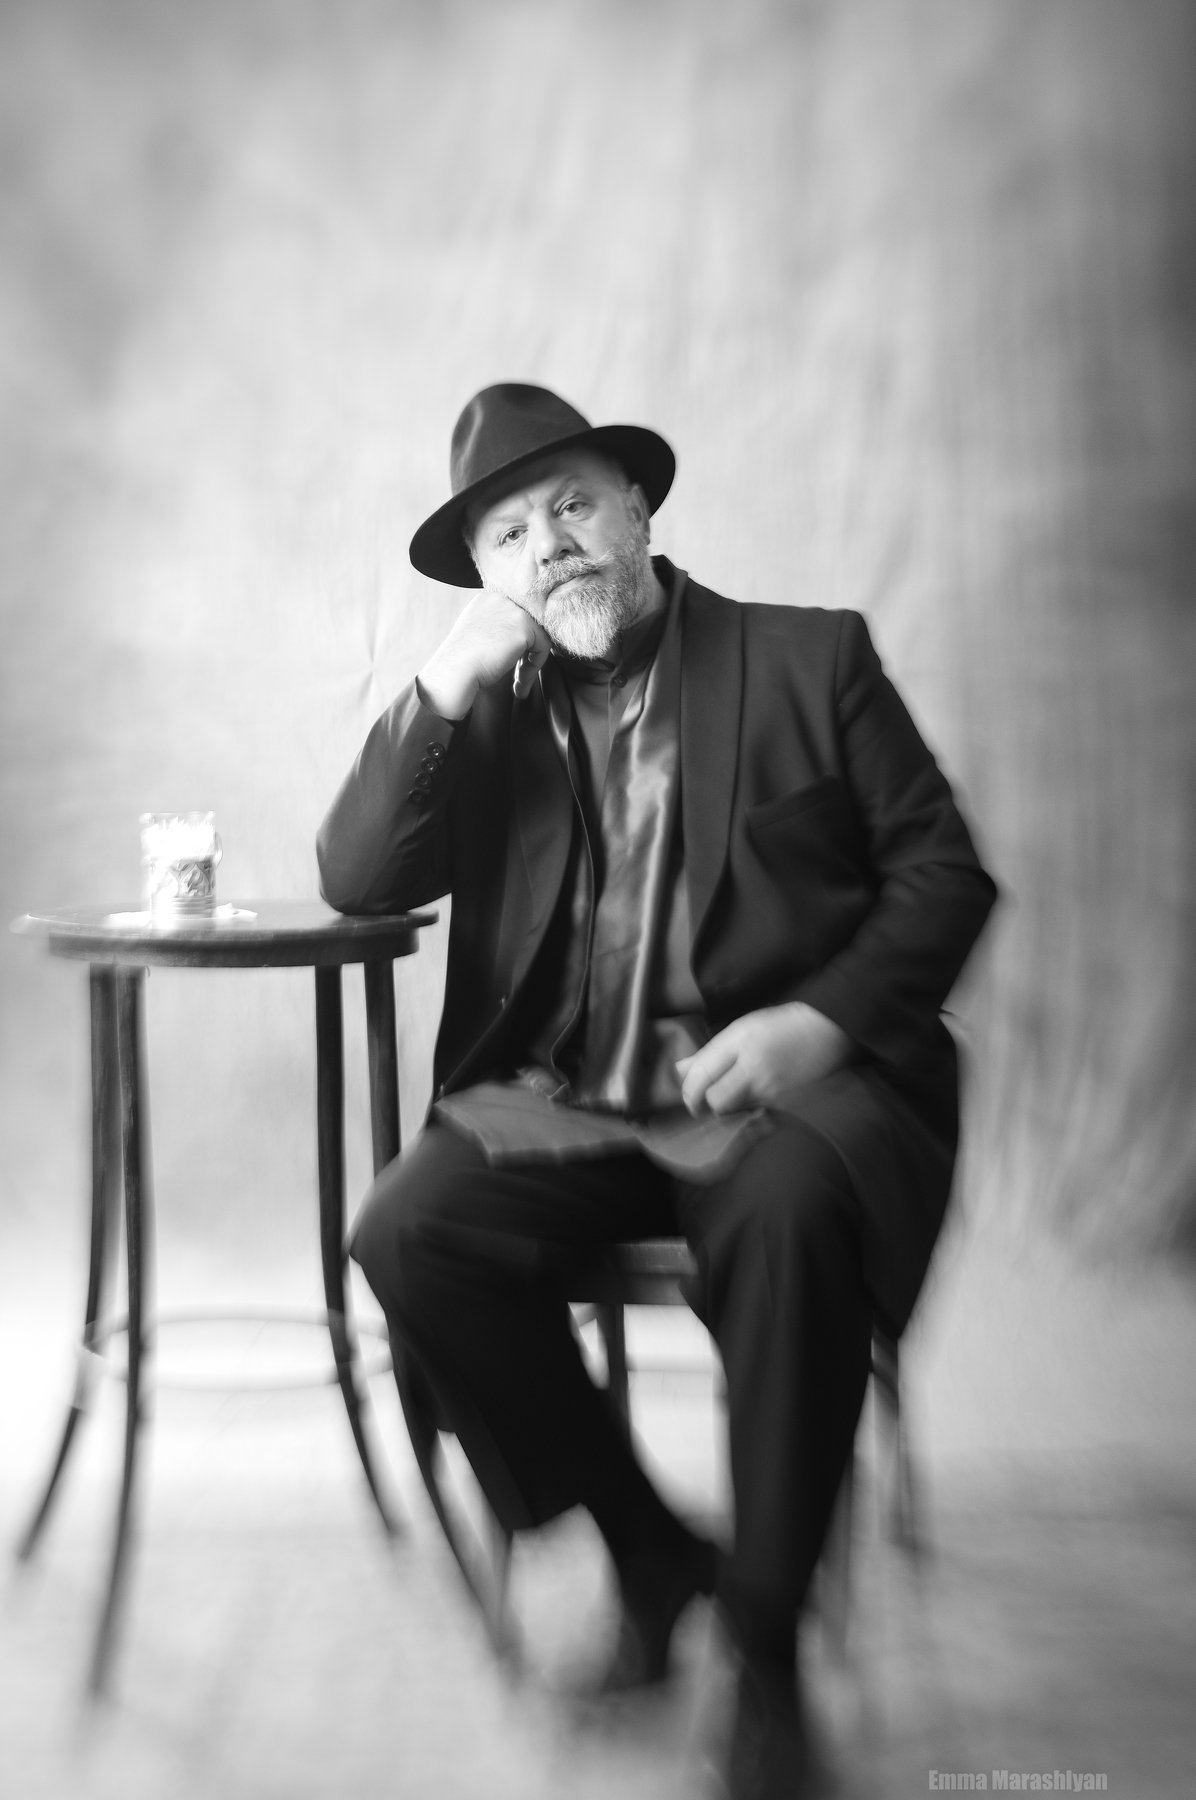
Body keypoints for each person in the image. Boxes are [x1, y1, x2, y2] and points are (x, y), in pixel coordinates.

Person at [317, 382, 996, 1798]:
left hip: (777, 1101)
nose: (550, 545)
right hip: (568, 1105)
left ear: (636, 508)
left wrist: (820, 1023)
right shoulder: (486, 713)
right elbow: (359, 879)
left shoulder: (807, 657)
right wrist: (442, 679)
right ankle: (652, 1548)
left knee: (795, 1212)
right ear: (486, 577)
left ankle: (765, 1647)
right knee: (405, 1233)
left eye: (572, 505)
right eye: (510, 536)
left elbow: (944, 875)